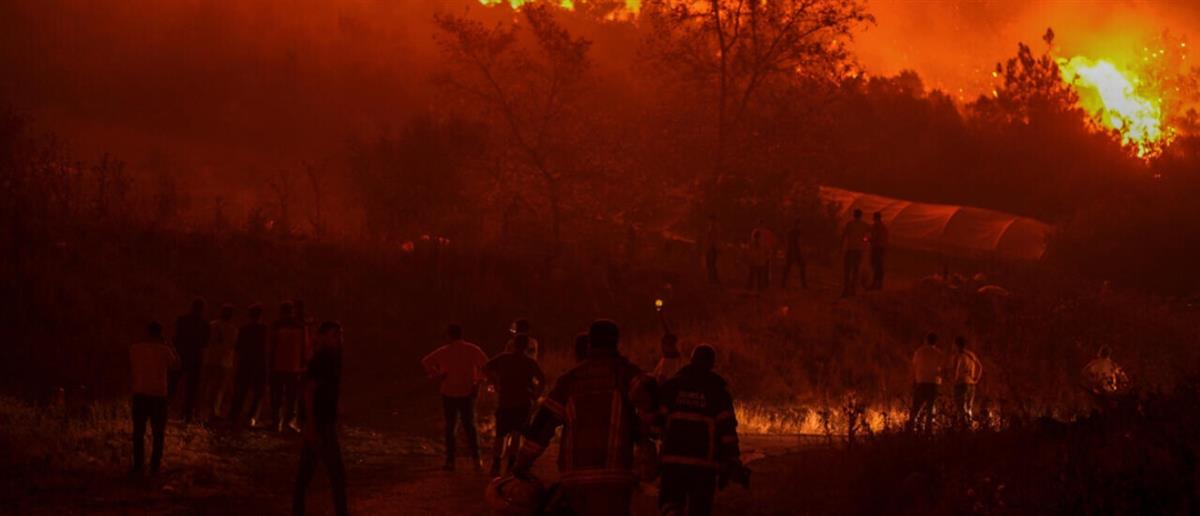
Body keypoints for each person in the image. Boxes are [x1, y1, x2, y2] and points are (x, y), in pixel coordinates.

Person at [513, 320, 656, 516]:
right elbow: (652, 399)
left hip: (575, 478)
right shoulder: (626, 374)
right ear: (616, 343)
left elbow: (543, 425)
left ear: (589, 344)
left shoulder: (569, 380)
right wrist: (643, 433)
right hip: (615, 477)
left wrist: (522, 462)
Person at [658, 345, 745, 516]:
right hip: (704, 466)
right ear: (712, 364)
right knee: (700, 508)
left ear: (691, 360)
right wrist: (732, 459)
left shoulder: (672, 387)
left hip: (672, 463)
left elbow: (657, 422)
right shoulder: (718, 392)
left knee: (671, 504)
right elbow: (727, 432)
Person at [293, 321, 347, 516]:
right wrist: (311, 424)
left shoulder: (332, 357)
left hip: (323, 421)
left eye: (340, 335)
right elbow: (309, 391)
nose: (339, 339)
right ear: (323, 336)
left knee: (306, 474)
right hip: (321, 423)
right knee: (336, 474)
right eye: (334, 335)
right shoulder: (323, 358)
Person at [421, 324, 489, 471]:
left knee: (451, 427)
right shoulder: (472, 349)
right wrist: (479, 381)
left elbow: (425, 362)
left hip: (448, 392)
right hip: (467, 392)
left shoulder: (444, 351)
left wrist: (437, 374)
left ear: (449, 335)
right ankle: (477, 460)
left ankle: (450, 461)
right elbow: (487, 365)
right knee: (470, 426)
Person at [484, 334, 546, 477]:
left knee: (501, 434)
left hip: (505, 402)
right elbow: (542, 380)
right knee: (517, 433)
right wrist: (536, 395)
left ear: (513, 344)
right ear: (527, 347)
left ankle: (496, 463)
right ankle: (511, 464)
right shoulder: (530, 362)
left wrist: (494, 381)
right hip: (523, 403)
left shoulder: (503, 358)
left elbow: (486, 367)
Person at [129, 321, 179, 477]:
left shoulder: (135, 348)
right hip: (158, 396)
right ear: (160, 333)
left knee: (138, 432)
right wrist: (169, 345)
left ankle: (138, 466)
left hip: (140, 393)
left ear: (146, 332)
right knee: (158, 433)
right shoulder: (165, 350)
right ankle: (155, 466)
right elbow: (176, 365)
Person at [229, 304, 269, 427]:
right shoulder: (264, 330)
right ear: (261, 316)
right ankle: (250, 417)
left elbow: (238, 348)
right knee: (257, 393)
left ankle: (233, 417)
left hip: (245, 364)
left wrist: (236, 364)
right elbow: (267, 348)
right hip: (259, 364)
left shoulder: (244, 329)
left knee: (241, 392)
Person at [270, 302, 307, 432]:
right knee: (291, 396)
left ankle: (276, 421)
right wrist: (303, 363)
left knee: (277, 395)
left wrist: (270, 363)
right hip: (293, 366)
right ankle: (287, 422)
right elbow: (304, 347)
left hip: (278, 365)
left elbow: (271, 346)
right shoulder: (300, 327)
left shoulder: (276, 325)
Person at [172, 298, 210, 423]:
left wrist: (176, 352)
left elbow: (176, 338)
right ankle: (188, 415)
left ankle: (164, 410)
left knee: (173, 384)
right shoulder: (205, 324)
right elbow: (205, 343)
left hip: (181, 355)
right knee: (192, 388)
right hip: (196, 358)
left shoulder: (182, 320)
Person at [202, 303, 238, 421]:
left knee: (211, 386)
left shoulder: (213, 326)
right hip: (223, 361)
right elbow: (233, 345)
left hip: (214, 359)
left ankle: (208, 411)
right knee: (218, 388)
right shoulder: (233, 329)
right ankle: (213, 411)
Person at [907, 333, 943, 433]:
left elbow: (913, 368)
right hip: (934, 383)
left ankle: (910, 428)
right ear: (935, 342)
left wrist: (913, 381)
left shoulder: (919, 352)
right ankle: (929, 430)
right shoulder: (939, 353)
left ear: (926, 340)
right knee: (930, 409)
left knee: (915, 407)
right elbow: (942, 369)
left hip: (921, 382)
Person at [948, 336, 982, 425]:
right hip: (971, 383)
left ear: (956, 345)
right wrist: (976, 378)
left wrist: (954, 380)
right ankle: (969, 426)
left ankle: (963, 427)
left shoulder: (958, 355)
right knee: (969, 406)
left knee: (960, 407)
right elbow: (980, 366)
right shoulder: (971, 355)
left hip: (961, 383)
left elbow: (955, 370)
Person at [841, 210, 870, 297]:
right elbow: (869, 234)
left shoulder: (849, 224)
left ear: (854, 215)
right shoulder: (864, 225)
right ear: (861, 216)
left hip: (850, 249)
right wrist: (865, 241)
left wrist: (841, 247)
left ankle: (846, 290)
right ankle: (853, 290)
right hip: (859, 250)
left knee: (847, 270)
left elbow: (844, 236)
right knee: (855, 270)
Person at [780, 217, 807, 289]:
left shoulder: (789, 232)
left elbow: (787, 242)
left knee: (787, 268)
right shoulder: (798, 232)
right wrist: (802, 252)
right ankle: (803, 284)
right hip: (796, 252)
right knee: (801, 267)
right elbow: (799, 243)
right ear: (798, 224)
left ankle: (783, 284)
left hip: (790, 252)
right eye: (800, 224)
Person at [868, 211, 888, 291]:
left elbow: (874, 237)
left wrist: (867, 240)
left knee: (875, 265)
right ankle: (880, 284)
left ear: (875, 218)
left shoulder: (876, 226)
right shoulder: (884, 226)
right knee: (880, 265)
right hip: (882, 248)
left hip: (877, 248)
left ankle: (874, 283)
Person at [703, 215, 720, 286]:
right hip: (710, 249)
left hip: (712, 249)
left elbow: (713, 240)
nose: (710, 222)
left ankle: (713, 281)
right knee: (710, 265)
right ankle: (713, 281)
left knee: (711, 265)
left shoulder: (714, 229)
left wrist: (710, 248)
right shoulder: (710, 229)